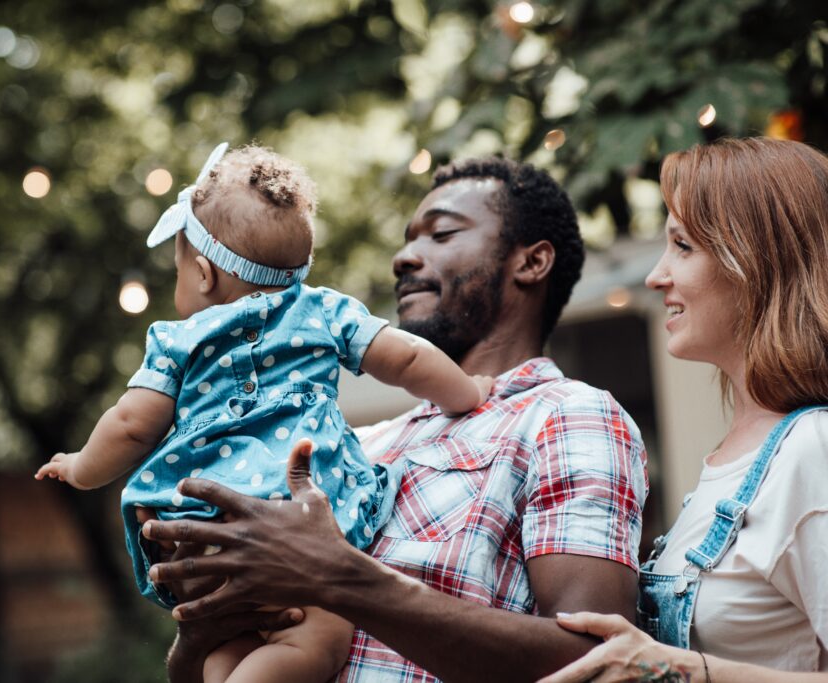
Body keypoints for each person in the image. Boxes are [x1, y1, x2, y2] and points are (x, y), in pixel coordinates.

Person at [141, 156, 651, 682]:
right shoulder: (359, 444)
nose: (404, 257)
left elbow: (604, 662)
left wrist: (338, 576)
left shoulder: (565, 414)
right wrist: (200, 620)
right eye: (408, 239)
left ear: (531, 262)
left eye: (442, 233)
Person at [35, 143, 492, 683]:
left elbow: (131, 423)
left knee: (225, 646)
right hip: (296, 526)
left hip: (206, 533)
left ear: (203, 274)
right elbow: (408, 358)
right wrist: (468, 391)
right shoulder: (324, 311)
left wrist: (83, 467)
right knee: (317, 637)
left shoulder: (178, 339)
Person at [539, 138, 828, 681]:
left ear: (757, 263)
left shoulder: (814, 448)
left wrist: (675, 669)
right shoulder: (736, 458)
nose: (656, 276)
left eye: (683, 246)